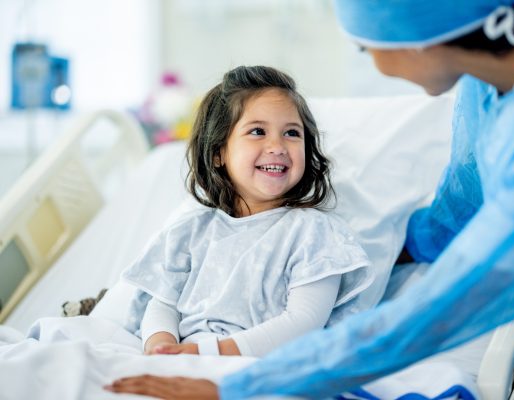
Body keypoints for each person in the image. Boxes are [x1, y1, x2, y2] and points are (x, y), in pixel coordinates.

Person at [106, 0, 514, 398]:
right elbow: (468, 187)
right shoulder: (507, 55)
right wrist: (413, 244)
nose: (373, 63)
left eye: (365, 47)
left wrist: (238, 384)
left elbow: (433, 314)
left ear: (420, 39)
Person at [113, 65, 373, 359]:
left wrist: (208, 353)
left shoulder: (314, 234)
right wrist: (161, 348)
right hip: (184, 360)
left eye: (291, 133)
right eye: (257, 131)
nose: (277, 146)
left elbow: (304, 322)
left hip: (260, 366)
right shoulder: (190, 231)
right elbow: (162, 305)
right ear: (218, 153)